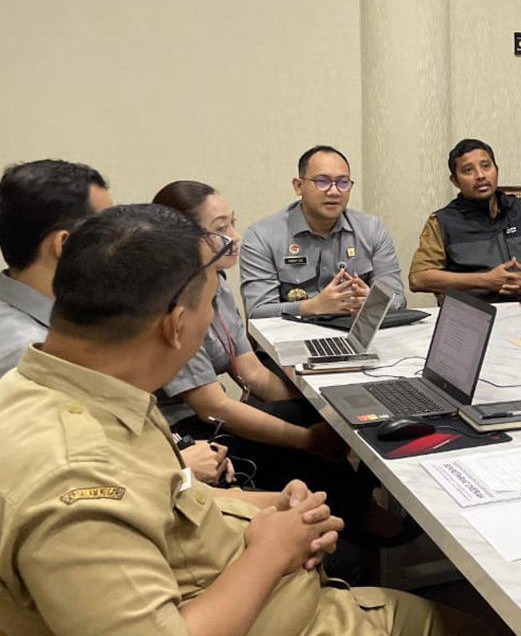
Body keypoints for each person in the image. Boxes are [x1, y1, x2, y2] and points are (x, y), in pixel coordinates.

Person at [0, 204, 484, 636]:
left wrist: (278, 511)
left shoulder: (65, 388)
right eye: (210, 305)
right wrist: (271, 552)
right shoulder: (76, 479)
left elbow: (167, 503)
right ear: (175, 325)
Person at [154, 181, 405, 569]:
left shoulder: (215, 282)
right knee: (302, 443)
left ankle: (358, 514)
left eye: (232, 223)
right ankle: (356, 526)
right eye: (221, 229)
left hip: (207, 419)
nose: (235, 237)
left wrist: (320, 395)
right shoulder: (173, 297)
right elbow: (211, 406)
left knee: (318, 413)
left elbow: (252, 372)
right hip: (182, 435)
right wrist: (306, 440)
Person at [0, 160, 229, 485]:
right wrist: (179, 471)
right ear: (65, 244)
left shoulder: (66, 314)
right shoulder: (27, 350)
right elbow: (71, 480)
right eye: (104, 227)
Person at [240, 145, 405, 318]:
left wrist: (373, 302)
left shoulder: (371, 229)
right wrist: (312, 307)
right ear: (298, 186)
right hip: (293, 337)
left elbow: (398, 299)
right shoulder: (262, 236)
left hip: (355, 337)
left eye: (343, 183)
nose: (334, 191)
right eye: (322, 181)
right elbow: (258, 311)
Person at [408, 138, 521, 302]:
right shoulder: (442, 222)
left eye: (486, 166)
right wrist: (486, 281)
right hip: (477, 314)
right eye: (468, 170)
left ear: (496, 170)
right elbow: (418, 278)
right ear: (455, 180)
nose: (480, 175)